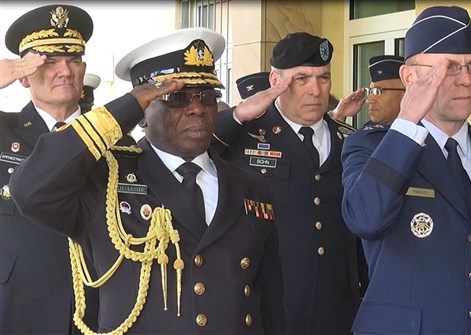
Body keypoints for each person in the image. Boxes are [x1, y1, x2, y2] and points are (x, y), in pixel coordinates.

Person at [10, 27, 286, 334]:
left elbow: (270, 301)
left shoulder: (251, 186)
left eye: (207, 96)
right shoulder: (104, 179)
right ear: (142, 112)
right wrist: (126, 106)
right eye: (177, 97)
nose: (196, 108)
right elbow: (30, 190)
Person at [341, 6, 471, 334]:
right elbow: (364, 219)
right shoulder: (371, 147)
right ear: (410, 77)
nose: (467, 80)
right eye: (450, 67)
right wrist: (407, 121)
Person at [212, 31, 365, 334]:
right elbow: (195, 149)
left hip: (337, 310)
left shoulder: (348, 141)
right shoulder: (247, 136)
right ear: (275, 81)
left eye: (323, 78)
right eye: (301, 79)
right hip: (268, 307)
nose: (315, 90)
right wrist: (238, 115)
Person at [0, 4, 99, 334]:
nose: (65, 71)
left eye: (73, 60)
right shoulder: (4, 132)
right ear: (24, 76)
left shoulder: (115, 144)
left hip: (97, 308)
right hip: (17, 306)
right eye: (50, 61)